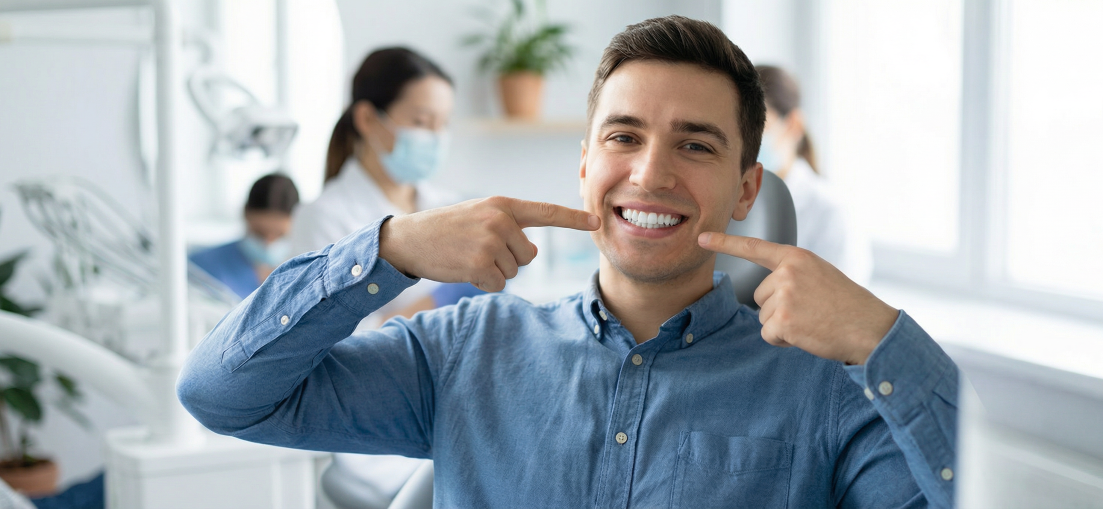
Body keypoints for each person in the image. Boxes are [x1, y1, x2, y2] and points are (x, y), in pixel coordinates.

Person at [179, 16, 959, 509]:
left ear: (747, 187)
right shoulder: (467, 350)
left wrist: (885, 338)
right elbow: (220, 394)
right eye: (624, 136)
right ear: (585, 164)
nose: (651, 173)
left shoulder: (824, 387)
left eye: (695, 144)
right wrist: (392, 248)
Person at [290, 47, 482, 326]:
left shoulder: (450, 206)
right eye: (421, 122)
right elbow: (322, 338)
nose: (436, 138)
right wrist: (435, 303)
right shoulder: (323, 218)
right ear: (367, 119)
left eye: (443, 124)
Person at [755, 64, 873, 285]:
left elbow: (844, 305)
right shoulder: (735, 198)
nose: (748, 142)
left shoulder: (830, 210)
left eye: (759, 126)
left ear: (793, 125)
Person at [189, 173, 298, 299]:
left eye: (280, 235)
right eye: (259, 233)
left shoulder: (309, 274)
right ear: (245, 214)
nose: (268, 243)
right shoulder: (201, 268)